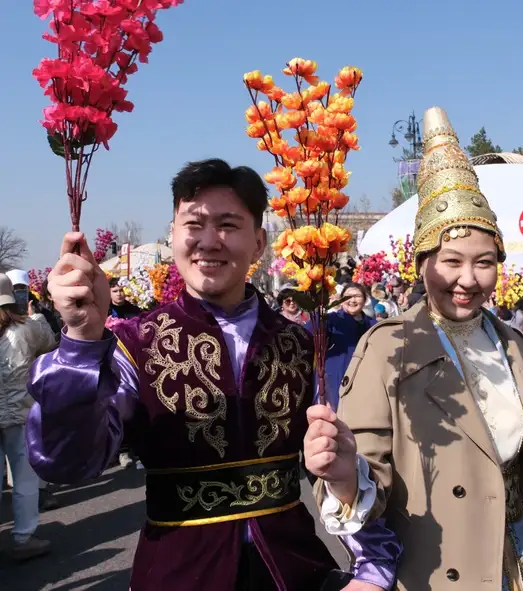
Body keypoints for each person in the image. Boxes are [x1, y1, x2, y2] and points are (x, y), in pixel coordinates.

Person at [304, 107, 523, 590]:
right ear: (422, 265)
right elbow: (368, 473)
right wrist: (343, 475)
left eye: (484, 263)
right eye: (452, 261)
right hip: (448, 564)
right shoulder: (389, 347)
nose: (467, 279)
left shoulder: (514, 344)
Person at [26, 159, 342, 590]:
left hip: (294, 568)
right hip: (178, 570)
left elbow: (343, 468)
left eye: (229, 225)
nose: (209, 241)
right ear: (173, 234)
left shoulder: (299, 343)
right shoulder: (136, 343)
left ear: (259, 242)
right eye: (194, 224)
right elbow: (67, 462)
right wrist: (81, 340)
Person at [0, 273, 56, 561]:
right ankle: (23, 537)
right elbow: (50, 345)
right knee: (24, 478)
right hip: (20, 412)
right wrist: (37, 318)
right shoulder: (27, 328)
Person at [310, 282, 375, 410]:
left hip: (363, 379)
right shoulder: (330, 320)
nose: (352, 300)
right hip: (335, 378)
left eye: (357, 296)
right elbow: (310, 330)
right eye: (348, 296)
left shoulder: (372, 325)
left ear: (365, 299)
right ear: (341, 300)